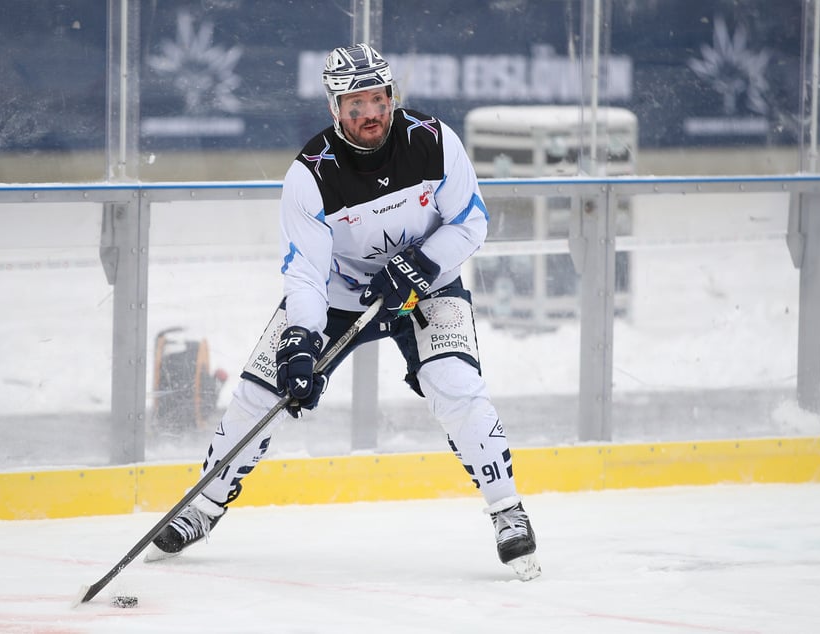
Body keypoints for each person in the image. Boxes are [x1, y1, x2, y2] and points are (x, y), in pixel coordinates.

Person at [145, 43, 540, 581]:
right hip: (337, 298)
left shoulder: (432, 140)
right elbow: (306, 272)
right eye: (355, 105)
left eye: (377, 100)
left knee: (457, 386)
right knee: (261, 392)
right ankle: (203, 507)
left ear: (392, 97)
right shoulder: (309, 174)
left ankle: (508, 510)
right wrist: (302, 340)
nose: (369, 114)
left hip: (426, 286)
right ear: (334, 109)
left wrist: (421, 264)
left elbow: (471, 222)